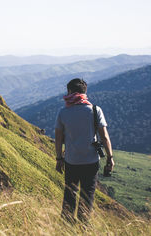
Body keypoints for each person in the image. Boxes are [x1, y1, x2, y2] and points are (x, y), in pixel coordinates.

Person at [54, 78, 114, 223]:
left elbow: (58, 138)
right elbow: (104, 137)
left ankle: (67, 226)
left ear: (69, 91)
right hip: (91, 161)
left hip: (71, 161)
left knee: (70, 194)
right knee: (87, 196)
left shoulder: (63, 112)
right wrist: (110, 158)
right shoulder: (95, 110)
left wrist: (59, 159)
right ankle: (83, 227)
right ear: (84, 92)